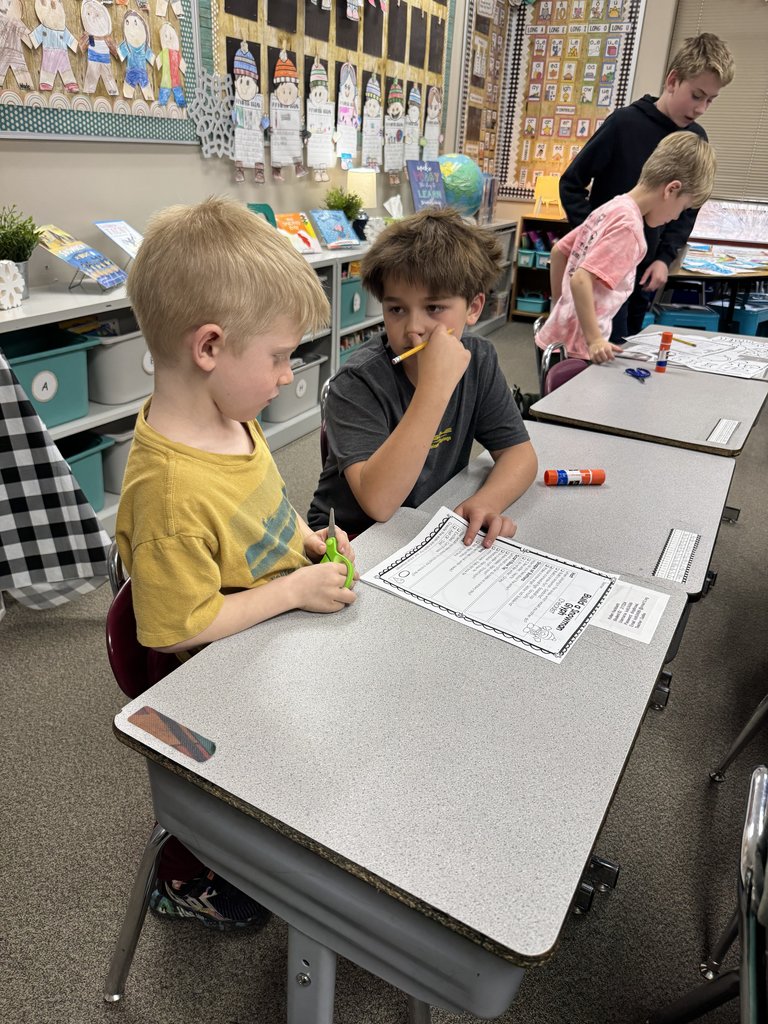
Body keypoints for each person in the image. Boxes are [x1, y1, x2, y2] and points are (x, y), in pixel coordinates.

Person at [116, 197, 357, 929]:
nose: (289, 375)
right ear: (211, 347)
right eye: (280, 356)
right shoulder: (169, 492)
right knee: (214, 792)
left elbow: (261, 517)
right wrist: (292, 592)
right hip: (199, 673)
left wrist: (307, 547)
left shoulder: (232, 419)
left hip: (260, 639)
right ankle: (183, 880)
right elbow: (176, 628)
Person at [308, 208, 538, 545]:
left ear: (473, 308)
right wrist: (435, 387)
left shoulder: (479, 358)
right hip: (351, 537)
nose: (413, 328)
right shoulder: (357, 382)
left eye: (434, 309)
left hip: (424, 522)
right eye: (396, 309)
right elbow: (379, 503)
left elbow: (519, 454)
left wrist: (487, 501)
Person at [559, 32, 734, 340]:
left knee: (627, 347)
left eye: (710, 100)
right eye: (696, 95)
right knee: (592, 345)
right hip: (604, 267)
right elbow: (572, 183)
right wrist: (593, 236)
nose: (701, 108)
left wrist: (664, 259)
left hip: (644, 271)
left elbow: (688, 210)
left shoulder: (696, 141)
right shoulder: (624, 123)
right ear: (672, 80)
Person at [537, 131, 716, 364]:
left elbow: (559, 252)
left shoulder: (612, 207)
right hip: (577, 350)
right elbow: (581, 279)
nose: (675, 218)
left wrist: (560, 309)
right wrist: (594, 340)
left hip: (558, 338)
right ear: (671, 189)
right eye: (682, 208)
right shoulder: (630, 229)